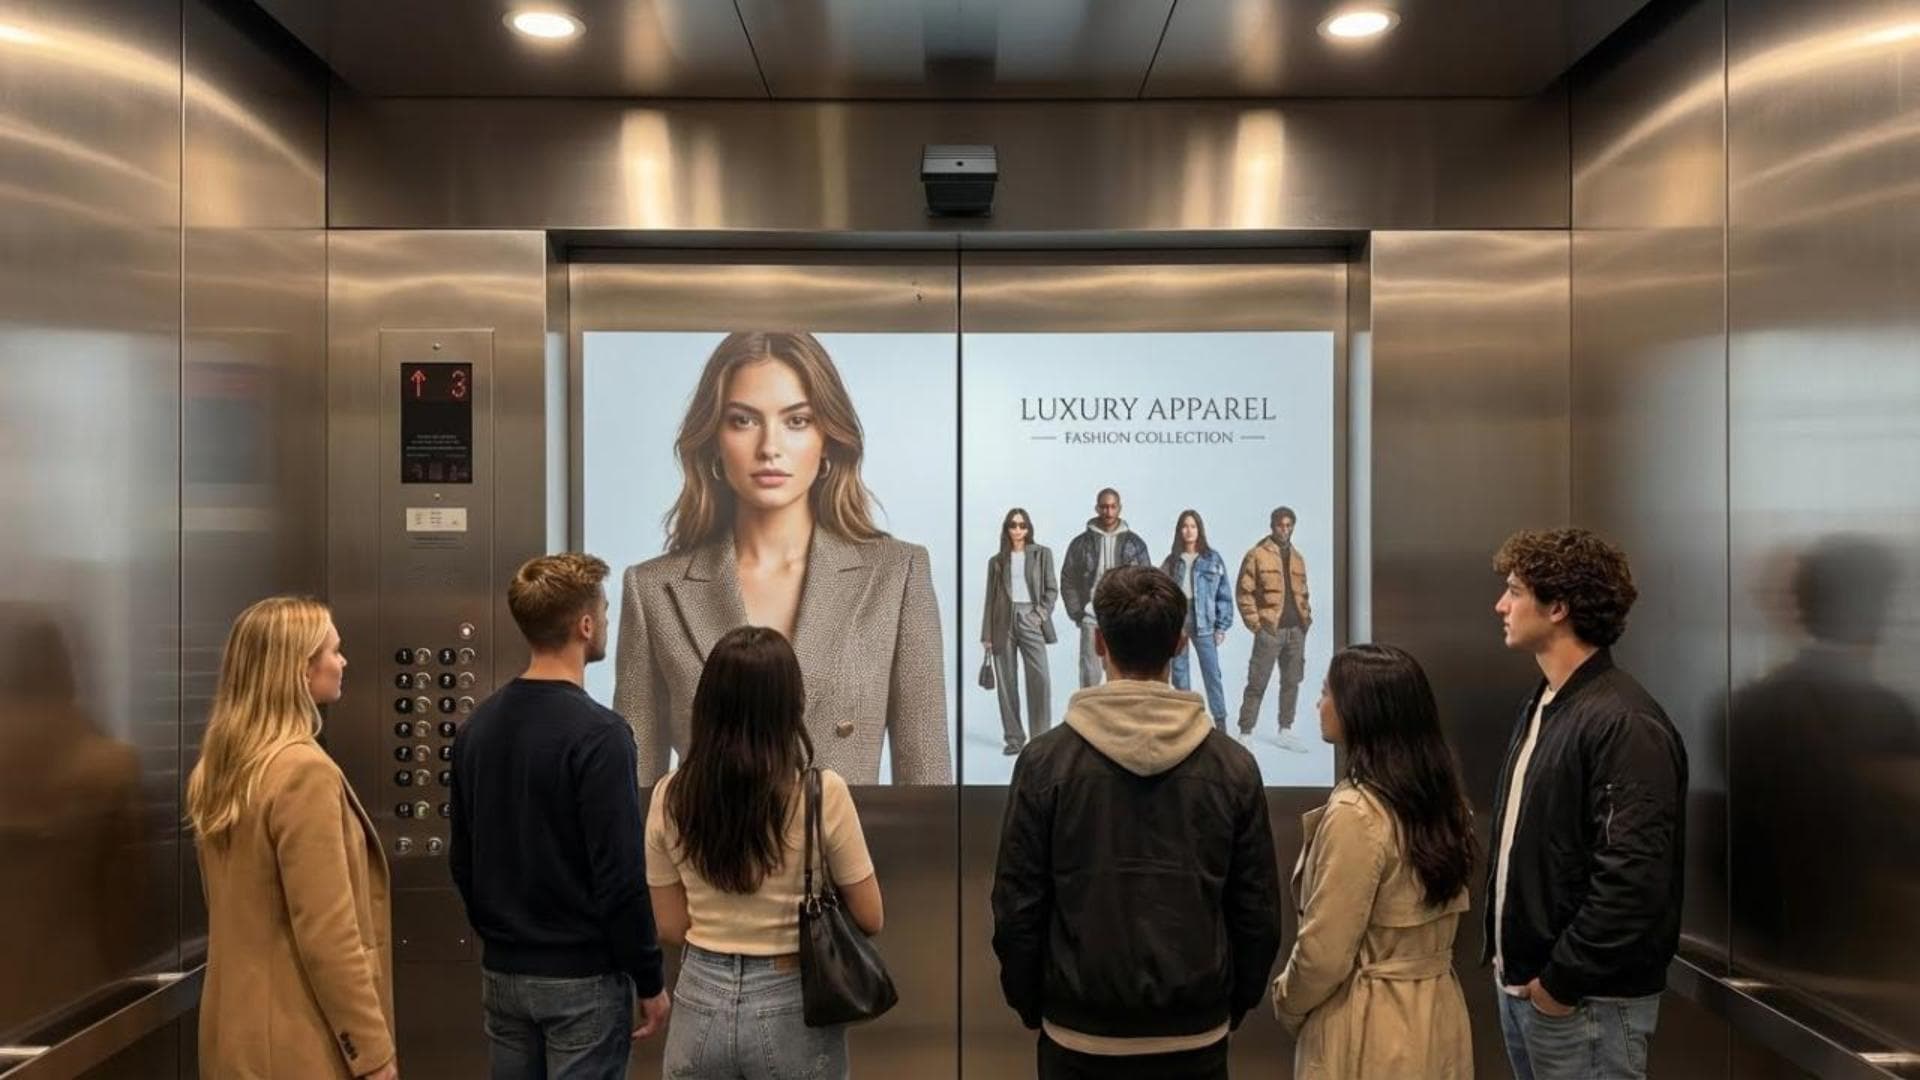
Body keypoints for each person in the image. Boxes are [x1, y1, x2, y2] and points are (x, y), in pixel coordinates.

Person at [614, 331, 949, 785]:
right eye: (743, 421)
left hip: (850, 854)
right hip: (705, 856)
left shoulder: (897, 575)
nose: (769, 447)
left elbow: (927, 784)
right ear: (713, 440)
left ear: (828, 437)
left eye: (797, 421)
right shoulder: (654, 589)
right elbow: (633, 794)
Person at [991, 565, 1281, 1080]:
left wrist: (1035, 1005)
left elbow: (1018, 908)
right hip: (1196, 1034)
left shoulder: (1044, 762)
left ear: (1099, 642)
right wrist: (1228, 1005)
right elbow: (1257, 913)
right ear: (1178, 643)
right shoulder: (1233, 766)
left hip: (1078, 1036)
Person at [450, 554, 669, 1079]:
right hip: (582, 980)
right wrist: (649, 979)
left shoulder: (478, 728)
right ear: (585, 625)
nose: (609, 625)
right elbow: (619, 878)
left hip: (503, 972)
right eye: (607, 613)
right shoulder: (601, 735)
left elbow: (462, 858)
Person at [1487, 529, 1686, 1080]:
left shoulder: (1623, 722)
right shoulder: (1547, 702)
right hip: (1533, 992)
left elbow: (1633, 877)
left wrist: (1561, 983)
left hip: (1585, 1003)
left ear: (1558, 606)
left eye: (1514, 591)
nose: (1500, 605)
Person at [646, 626, 883, 1080]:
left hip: (699, 999)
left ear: (706, 704)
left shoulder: (669, 796)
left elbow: (671, 925)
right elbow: (870, 916)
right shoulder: (821, 793)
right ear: (790, 705)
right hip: (792, 999)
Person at [189, 597, 398, 1079]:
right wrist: (371, 1052)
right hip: (298, 1042)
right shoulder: (303, 772)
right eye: (333, 651)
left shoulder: (222, 769)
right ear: (299, 669)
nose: (343, 662)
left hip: (234, 1034)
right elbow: (328, 933)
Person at [1272, 644, 1476, 1079]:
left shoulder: (1356, 812)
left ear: (1359, 711)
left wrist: (1287, 1002)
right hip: (1439, 1013)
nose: (1318, 704)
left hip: (1369, 1028)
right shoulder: (1443, 802)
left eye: (1327, 692)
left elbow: (1323, 954)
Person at [980, 507, 1059, 754]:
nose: (1017, 530)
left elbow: (1051, 589)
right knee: (1007, 683)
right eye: (1013, 525)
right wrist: (987, 634)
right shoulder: (996, 561)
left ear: (1028, 528)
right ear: (1006, 529)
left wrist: (1039, 615)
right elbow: (990, 599)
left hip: (1030, 617)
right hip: (1001, 620)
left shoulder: (1042, 554)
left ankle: (1041, 738)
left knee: (1040, 678)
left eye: (1022, 525)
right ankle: (1014, 739)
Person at [1236, 506, 1313, 751]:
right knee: (1257, 681)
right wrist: (1257, 625)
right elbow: (1244, 592)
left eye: (1289, 525)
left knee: (1292, 682)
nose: (1285, 529)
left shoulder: (1299, 558)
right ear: (1272, 526)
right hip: (1270, 630)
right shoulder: (1257, 554)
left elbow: (1304, 594)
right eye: (1281, 525)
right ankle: (1245, 732)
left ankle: (1285, 730)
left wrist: (1306, 621)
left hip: (1296, 631)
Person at [1059, 487, 1152, 689]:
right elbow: (1068, 579)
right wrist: (1078, 612)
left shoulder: (1135, 544)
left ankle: (1121, 720)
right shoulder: (1080, 544)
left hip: (1124, 618)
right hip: (1091, 617)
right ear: (1096, 508)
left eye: (1112, 507)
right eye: (1103, 507)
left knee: (1124, 677)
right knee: (1089, 678)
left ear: (1119, 508)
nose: (1108, 512)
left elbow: (1147, 581)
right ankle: (1088, 720)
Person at [1158, 509, 1234, 730]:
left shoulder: (1212, 558)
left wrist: (1221, 626)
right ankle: (1187, 722)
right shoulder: (1171, 561)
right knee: (1180, 673)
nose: (1188, 530)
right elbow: (1160, 592)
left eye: (1193, 526)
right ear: (1179, 530)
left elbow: (1224, 593)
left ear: (1199, 530)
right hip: (1178, 620)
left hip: (1205, 622)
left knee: (1212, 673)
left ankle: (1221, 723)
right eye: (1184, 526)